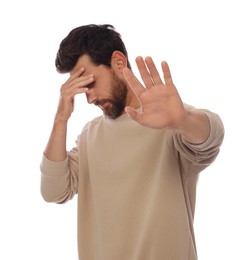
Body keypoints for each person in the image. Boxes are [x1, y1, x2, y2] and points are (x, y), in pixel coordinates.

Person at [40, 24, 224, 260]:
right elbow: (53, 191)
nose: (90, 99)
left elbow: (210, 139)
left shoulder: (169, 123)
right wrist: (61, 119)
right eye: (82, 90)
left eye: (91, 83)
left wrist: (182, 120)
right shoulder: (89, 137)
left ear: (118, 63)